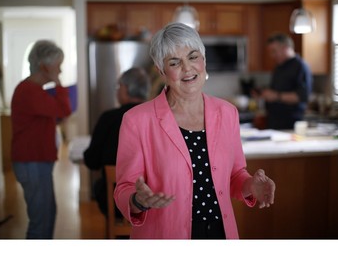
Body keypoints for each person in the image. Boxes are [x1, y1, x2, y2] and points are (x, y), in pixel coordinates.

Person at [114, 22, 276, 239]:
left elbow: (235, 175)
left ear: (204, 60)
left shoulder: (227, 113)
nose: (187, 68)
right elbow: (124, 188)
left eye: (193, 57)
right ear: (161, 70)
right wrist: (137, 200)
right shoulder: (137, 120)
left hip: (219, 232)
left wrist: (250, 185)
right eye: (174, 62)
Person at [11, 40, 72, 239]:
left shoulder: (34, 91)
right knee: (41, 222)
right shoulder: (29, 91)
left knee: (47, 215)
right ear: (44, 66)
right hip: (32, 162)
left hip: (36, 161)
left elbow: (60, 114)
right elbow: (64, 110)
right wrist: (58, 82)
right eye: (58, 66)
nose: (60, 71)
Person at [83, 67, 151, 218]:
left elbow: (91, 161)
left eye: (118, 86)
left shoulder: (108, 118)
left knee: (101, 186)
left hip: (116, 201)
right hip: (152, 200)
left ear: (125, 88)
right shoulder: (157, 118)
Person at [259, 33, 312, 130]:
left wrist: (276, 96)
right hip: (274, 122)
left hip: (290, 124)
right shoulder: (279, 67)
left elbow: (302, 97)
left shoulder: (300, 66)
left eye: (274, 51)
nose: (272, 55)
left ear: (286, 48)